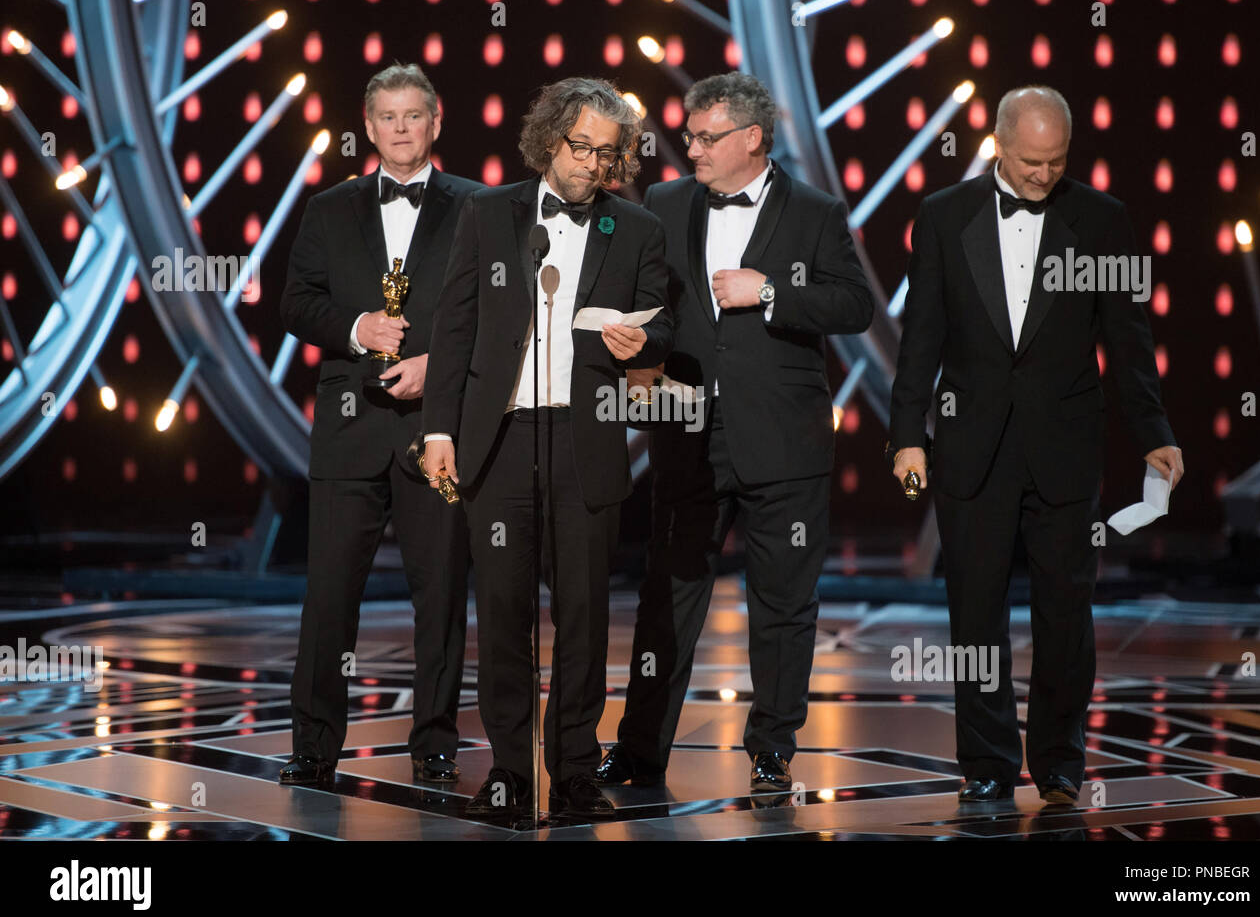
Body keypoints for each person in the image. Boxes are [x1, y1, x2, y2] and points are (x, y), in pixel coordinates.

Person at [888, 85, 1184, 804]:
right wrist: (906, 438)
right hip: (969, 445)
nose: (1042, 175)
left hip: (1064, 449)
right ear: (997, 142)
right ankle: (987, 762)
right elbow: (920, 335)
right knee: (976, 612)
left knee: (1066, 613)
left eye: (1055, 162)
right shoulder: (942, 214)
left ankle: (1058, 760)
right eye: (1029, 161)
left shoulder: (1102, 219)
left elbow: (1129, 340)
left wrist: (1154, 434)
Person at [597, 72, 874, 793]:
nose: (689, 148)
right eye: (688, 134)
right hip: (686, 429)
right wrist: (638, 338)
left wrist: (773, 292)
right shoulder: (663, 201)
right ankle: (639, 749)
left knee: (783, 600)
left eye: (705, 137)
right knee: (668, 594)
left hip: (784, 439)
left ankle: (773, 748)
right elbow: (657, 305)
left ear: (752, 138)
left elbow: (854, 306)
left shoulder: (814, 212)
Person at [421, 77, 671, 820]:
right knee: (501, 612)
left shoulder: (637, 229)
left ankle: (572, 769)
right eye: (581, 147)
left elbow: (662, 330)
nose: (593, 164)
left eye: (607, 152)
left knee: (586, 615)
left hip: (585, 439)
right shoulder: (489, 213)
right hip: (499, 441)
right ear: (548, 140)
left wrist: (641, 344)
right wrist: (439, 430)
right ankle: (508, 769)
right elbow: (453, 329)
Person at [278, 64, 479, 787]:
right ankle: (313, 747)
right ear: (367, 127)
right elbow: (296, 304)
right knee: (329, 597)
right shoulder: (330, 209)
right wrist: (359, 328)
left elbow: (499, 311)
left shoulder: (479, 207)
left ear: (436, 121)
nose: (400, 128)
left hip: (440, 428)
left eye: (413, 115)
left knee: (443, 594)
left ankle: (434, 743)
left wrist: (436, 363)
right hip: (350, 429)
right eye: (387, 116)